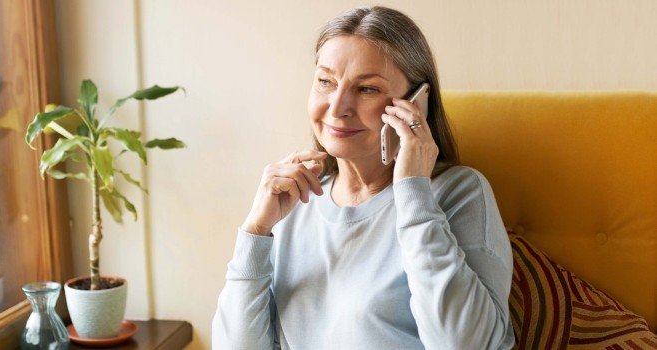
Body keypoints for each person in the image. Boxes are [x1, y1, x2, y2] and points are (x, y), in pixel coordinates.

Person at [212, 6, 515, 350]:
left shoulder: (458, 192)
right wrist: (256, 232)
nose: (338, 106)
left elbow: (467, 345)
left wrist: (413, 192)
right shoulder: (294, 203)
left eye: (367, 89)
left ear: (417, 103)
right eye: (325, 81)